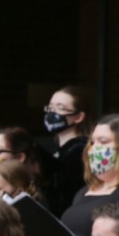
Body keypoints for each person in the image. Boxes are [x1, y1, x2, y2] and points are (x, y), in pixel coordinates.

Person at [41, 85, 91, 217]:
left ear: (79, 117)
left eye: (61, 108)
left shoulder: (80, 149)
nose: (53, 113)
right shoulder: (56, 149)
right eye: (51, 108)